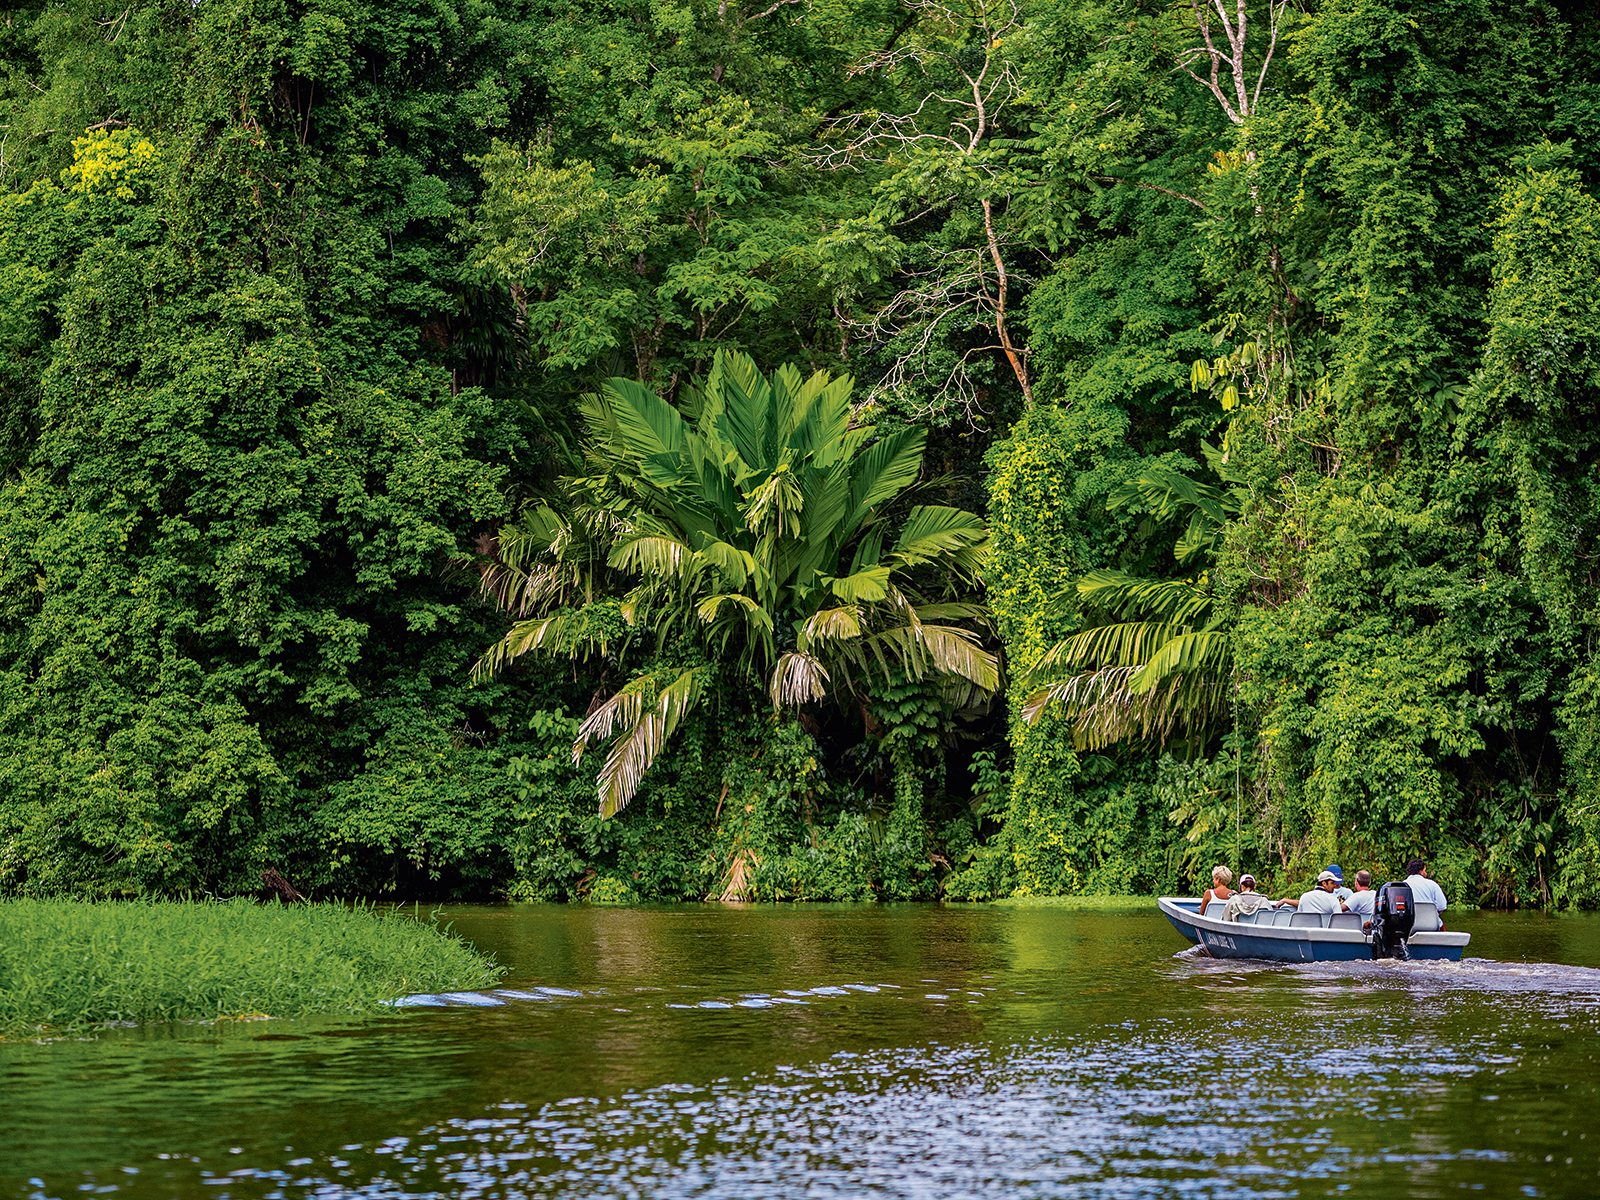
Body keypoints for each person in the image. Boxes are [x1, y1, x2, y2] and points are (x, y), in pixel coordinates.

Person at [1276, 869, 1348, 915]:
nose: (1334, 886)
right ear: (1324, 883)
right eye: (1332, 883)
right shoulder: (1333, 900)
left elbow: (1298, 918)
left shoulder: (1304, 897)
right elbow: (1338, 921)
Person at [1405, 858, 1448, 930]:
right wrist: (1430, 914)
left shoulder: (1402, 886)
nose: (1426, 873)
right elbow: (1442, 906)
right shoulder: (1432, 884)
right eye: (1425, 871)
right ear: (1420, 871)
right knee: (1440, 924)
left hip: (1409, 926)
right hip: (1432, 925)